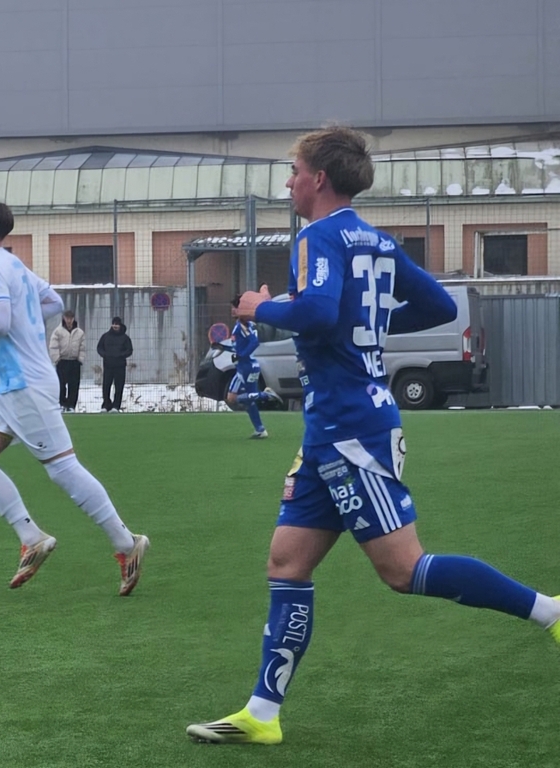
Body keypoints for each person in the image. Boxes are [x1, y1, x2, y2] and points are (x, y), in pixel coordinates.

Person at [186, 126, 560, 746]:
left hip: (353, 430)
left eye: (294, 172)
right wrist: (370, 317)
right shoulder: (376, 240)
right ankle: (262, 713)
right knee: (286, 561)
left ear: (319, 179)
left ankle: (551, 611)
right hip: (330, 430)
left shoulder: (317, 236)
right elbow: (439, 305)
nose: (288, 182)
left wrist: (259, 307)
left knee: (403, 570)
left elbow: (315, 312)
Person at [0, 199, 149, 595]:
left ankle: (127, 544)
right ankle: (32, 537)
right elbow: (53, 302)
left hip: (26, 384)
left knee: (63, 469)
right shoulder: (14, 264)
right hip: (12, 386)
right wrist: (24, 322)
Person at [227, 296, 283, 438]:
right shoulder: (247, 325)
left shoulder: (243, 325)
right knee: (248, 400)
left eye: (235, 307)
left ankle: (266, 395)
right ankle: (260, 430)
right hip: (249, 366)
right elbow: (242, 345)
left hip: (245, 367)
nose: (232, 310)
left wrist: (242, 355)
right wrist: (231, 351)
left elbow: (254, 342)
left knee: (232, 398)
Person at [49, 310, 85, 412]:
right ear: (64, 318)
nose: (69, 320)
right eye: (67, 318)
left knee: (74, 385)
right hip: (62, 361)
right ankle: (62, 404)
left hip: (74, 362)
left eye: (71, 318)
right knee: (61, 385)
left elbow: (82, 347)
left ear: (73, 319)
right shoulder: (58, 331)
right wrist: (57, 359)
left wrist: (80, 360)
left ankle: (71, 406)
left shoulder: (80, 332)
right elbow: (53, 346)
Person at [97, 316, 132, 412]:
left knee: (119, 386)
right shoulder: (105, 336)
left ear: (120, 325)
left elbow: (129, 350)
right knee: (106, 386)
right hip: (108, 365)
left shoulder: (125, 338)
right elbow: (99, 348)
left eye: (117, 324)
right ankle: (106, 405)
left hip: (120, 366)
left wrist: (120, 355)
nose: (115, 326)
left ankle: (116, 406)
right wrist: (105, 355)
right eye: (113, 324)